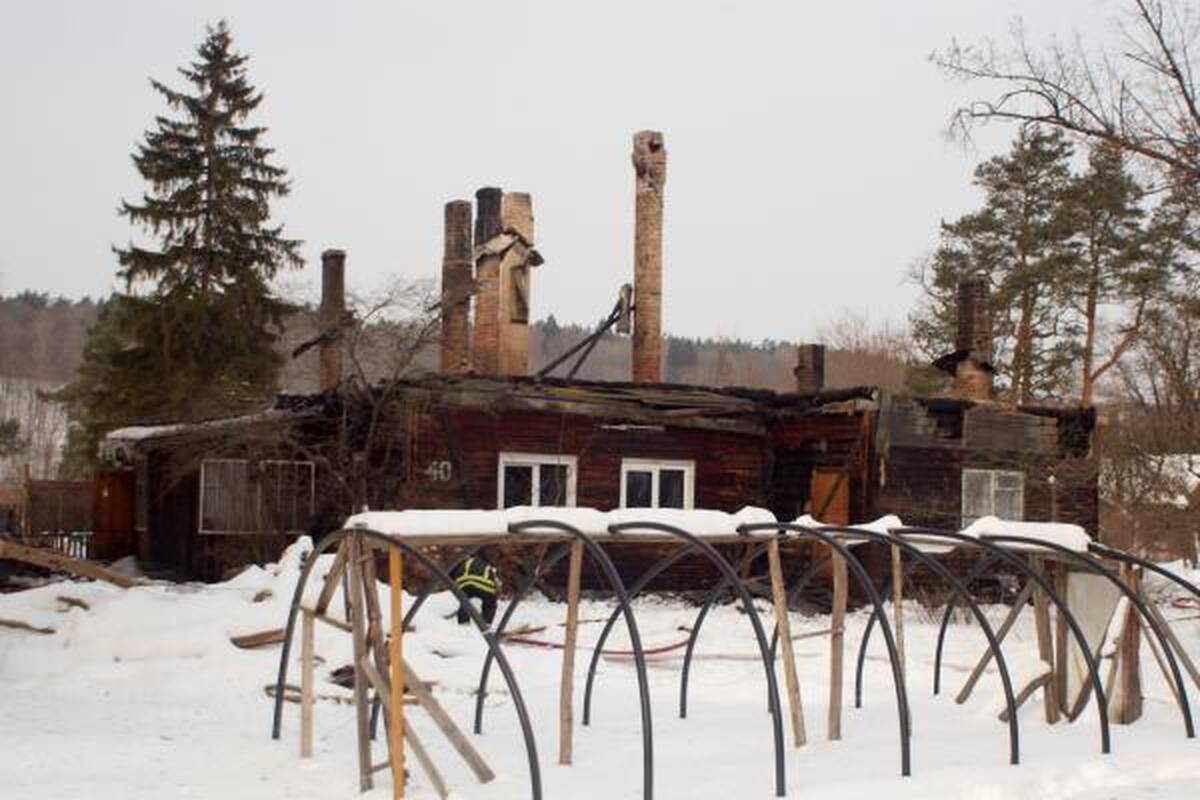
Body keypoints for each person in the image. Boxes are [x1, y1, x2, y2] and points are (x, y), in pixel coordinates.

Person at [452, 551, 500, 626]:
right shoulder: (485, 564)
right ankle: (486, 623)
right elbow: (495, 582)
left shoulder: (463, 561)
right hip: (483, 583)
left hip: (464, 583)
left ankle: (463, 622)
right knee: (490, 602)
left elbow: (451, 574)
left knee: (465, 601)